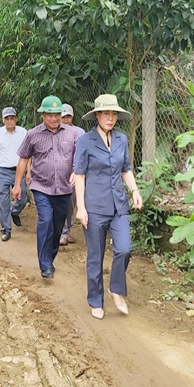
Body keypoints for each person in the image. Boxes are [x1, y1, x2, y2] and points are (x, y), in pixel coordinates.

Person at [74, 94, 142, 320]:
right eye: (106, 114)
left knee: (124, 249)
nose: (110, 118)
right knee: (96, 256)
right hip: (94, 207)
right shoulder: (86, 141)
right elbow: (80, 175)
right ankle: (95, 300)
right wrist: (81, 207)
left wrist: (135, 190)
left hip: (119, 205)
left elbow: (126, 169)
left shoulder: (121, 139)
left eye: (113, 114)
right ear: (97, 116)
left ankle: (116, 289)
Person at [12, 96, 78, 278]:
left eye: (57, 115)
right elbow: (23, 158)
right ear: (42, 115)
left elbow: (80, 157)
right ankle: (45, 264)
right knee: (45, 221)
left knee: (57, 227)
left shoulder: (72, 134)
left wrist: (76, 170)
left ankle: (50, 257)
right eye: (50, 115)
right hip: (41, 187)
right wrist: (17, 185)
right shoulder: (33, 134)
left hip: (64, 188)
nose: (54, 119)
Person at [0, 107, 28, 241]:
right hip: (3, 171)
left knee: (22, 199)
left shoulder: (23, 133)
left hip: (19, 171)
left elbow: (29, 154)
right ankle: (6, 229)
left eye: (12, 118)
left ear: (16, 119)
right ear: (3, 120)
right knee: (3, 202)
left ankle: (14, 212)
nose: (10, 121)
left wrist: (29, 172)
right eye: (7, 118)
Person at [59, 103, 85, 246]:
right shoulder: (56, 132)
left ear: (72, 117)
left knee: (71, 203)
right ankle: (61, 233)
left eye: (68, 117)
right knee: (60, 203)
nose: (66, 120)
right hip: (59, 172)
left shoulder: (80, 133)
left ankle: (66, 232)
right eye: (63, 117)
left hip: (76, 173)